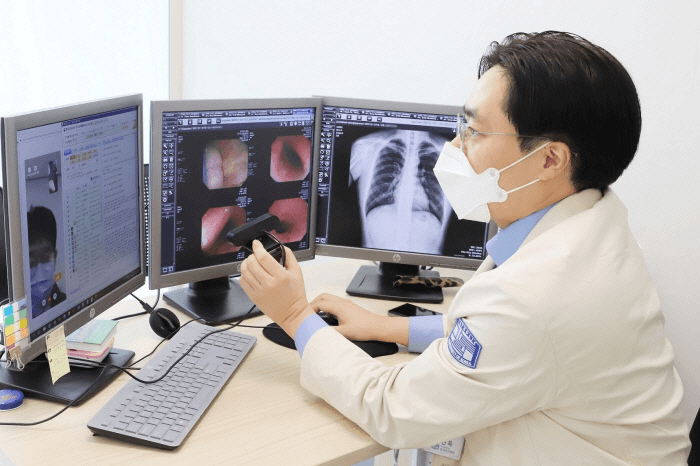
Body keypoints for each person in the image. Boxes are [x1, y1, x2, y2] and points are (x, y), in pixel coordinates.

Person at [240, 31, 691, 465]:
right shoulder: (589, 221)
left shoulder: (536, 298)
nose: (454, 146)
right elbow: (495, 336)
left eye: (474, 131)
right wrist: (388, 328)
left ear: (550, 159)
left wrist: (296, 315)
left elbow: (395, 410)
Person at [27, 206, 66, 318]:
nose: (39, 272)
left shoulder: (65, 302)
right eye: (31, 261)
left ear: (55, 258)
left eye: (46, 258)